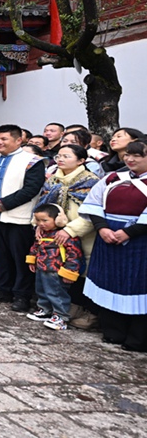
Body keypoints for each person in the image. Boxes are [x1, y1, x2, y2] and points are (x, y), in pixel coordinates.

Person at [78, 140, 147, 351]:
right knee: (110, 280)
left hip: (140, 239)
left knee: (138, 284)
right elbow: (93, 203)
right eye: (128, 154)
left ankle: (138, 339)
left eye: (138, 155)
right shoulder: (113, 177)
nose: (130, 159)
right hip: (108, 235)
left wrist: (128, 232)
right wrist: (102, 228)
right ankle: (113, 332)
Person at [0, 124, 45, 312]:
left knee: (20, 258)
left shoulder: (32, 161)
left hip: (17, 217)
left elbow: (31, 188)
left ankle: (21, 295)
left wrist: (3, 204)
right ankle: (1, 288)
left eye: (4, 139)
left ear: (18, 140)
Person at [36, 144, 99, 328]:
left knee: (81, 272)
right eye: (59, 156)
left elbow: (92, 214)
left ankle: (89, 312)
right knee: (57, 274)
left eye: (66, 156)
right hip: (53, 236)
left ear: (81, 160)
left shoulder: (91, 182)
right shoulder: (53, 181)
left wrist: (69, 230)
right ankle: (65, 309)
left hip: (81, 234)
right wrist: (38, 225)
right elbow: (42, 206)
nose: (60, 159)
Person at [26, 203, 83, 330]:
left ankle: (61, 316)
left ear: (57, 219)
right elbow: (35, 247)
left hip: (56, 271)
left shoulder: (65, 236)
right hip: (42, 267)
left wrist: (70, 272)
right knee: (41, 290)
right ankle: (45, 310)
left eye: (45, 220)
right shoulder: (42, 233)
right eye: (38, 220)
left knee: (56, 293)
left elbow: (74, 254)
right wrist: (32, 260)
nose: (41, 224)